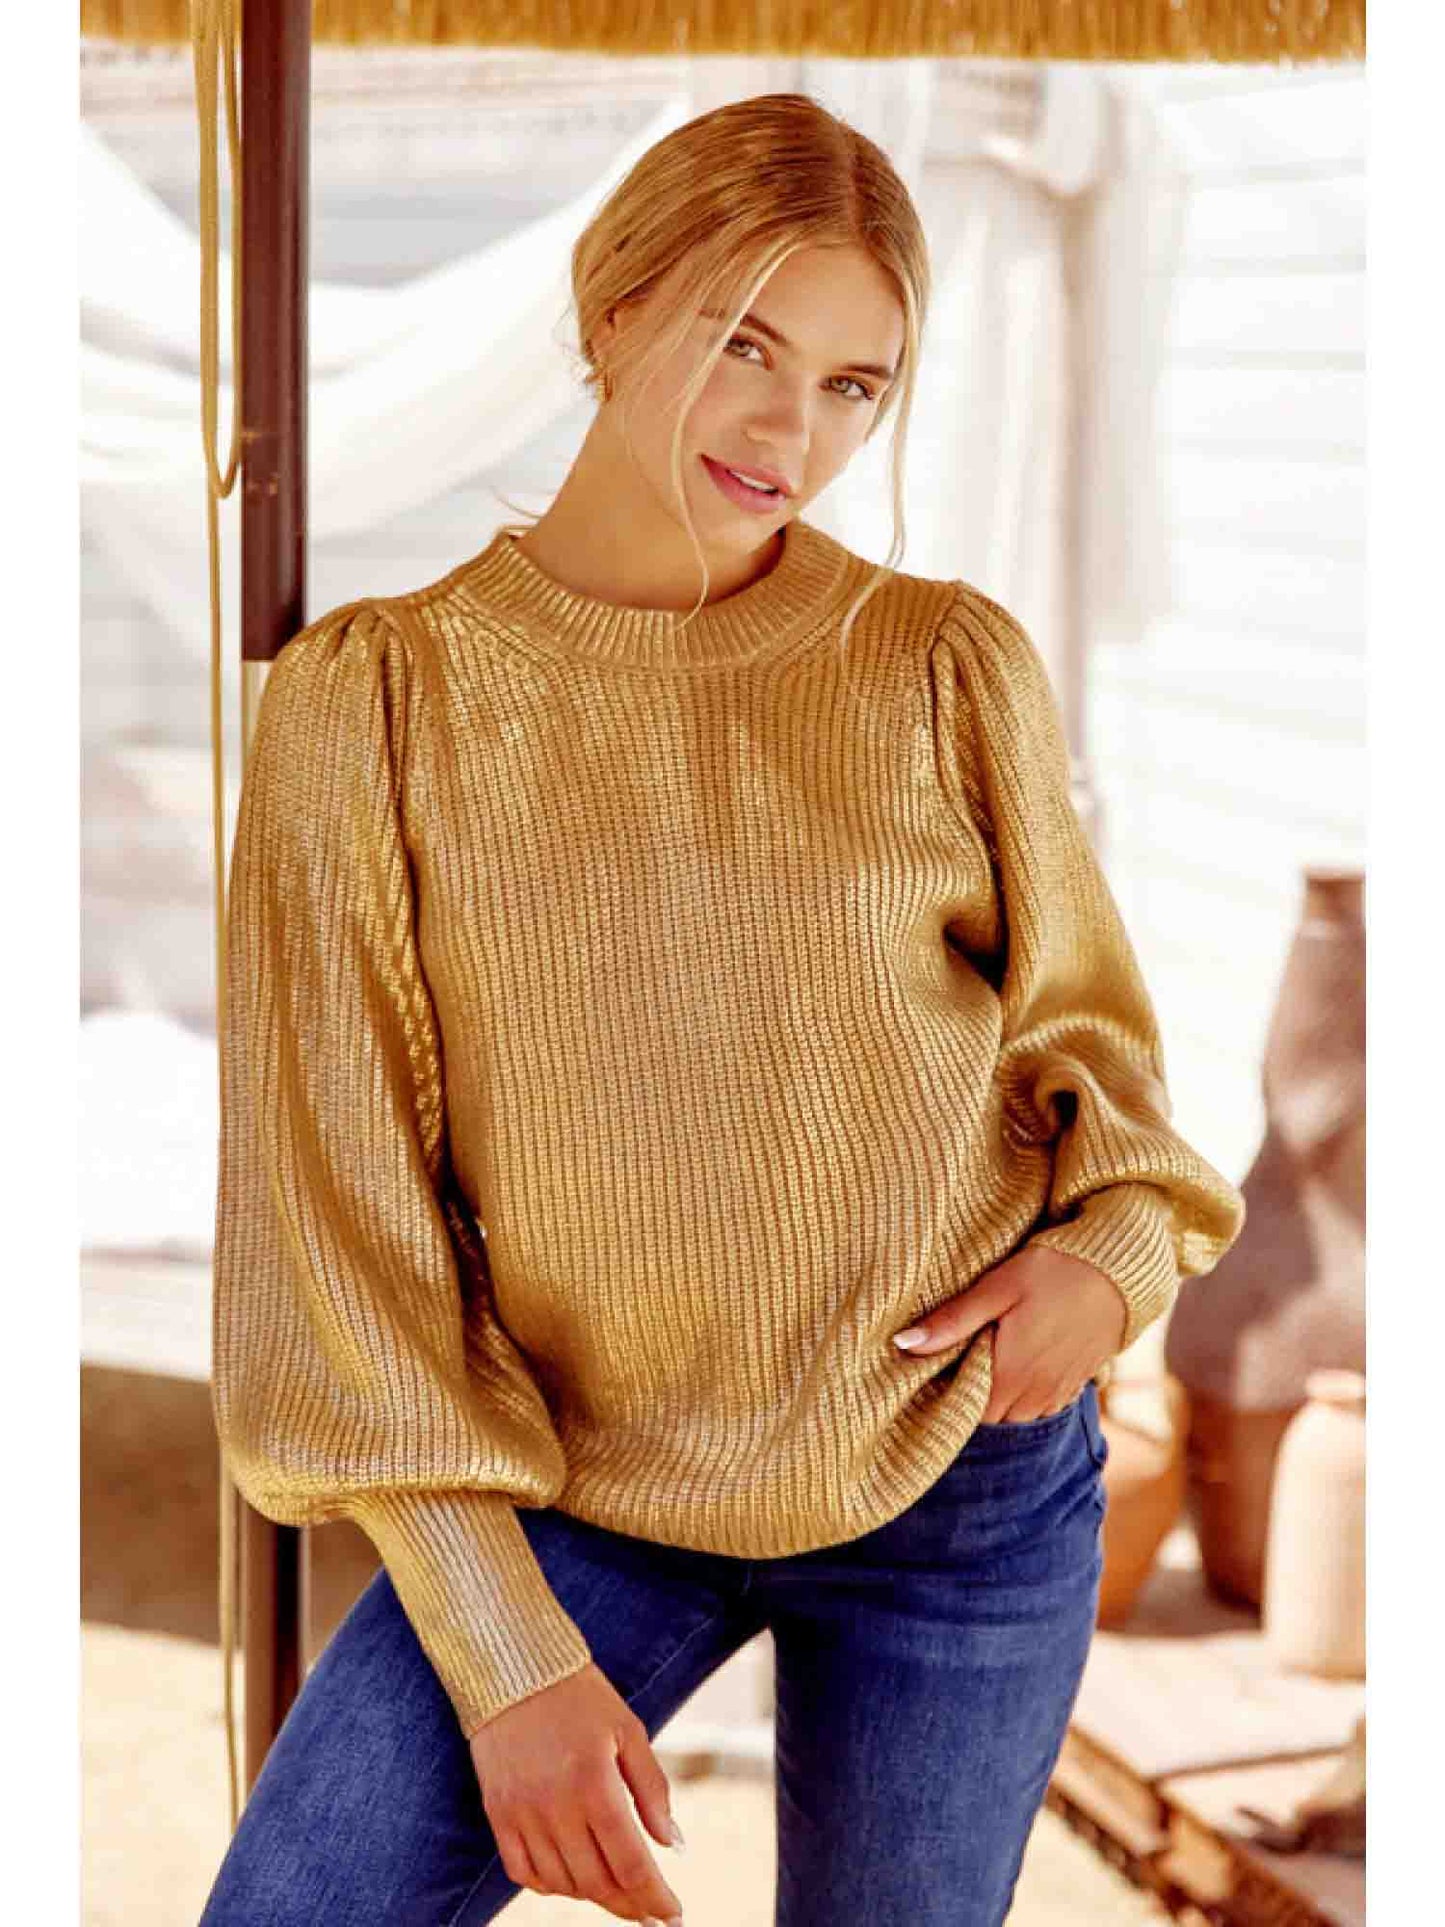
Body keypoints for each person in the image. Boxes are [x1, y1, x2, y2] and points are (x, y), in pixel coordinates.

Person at [198, 92, 1245, 1927]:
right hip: (576, 1485)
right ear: (613, 308)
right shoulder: (375, 702)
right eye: (743, 343)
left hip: (961, 1488)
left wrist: (1107, 1265)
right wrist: (506, 1661)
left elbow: (1097, 1066)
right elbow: (332, 1226)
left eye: (852, 385)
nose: (788, 431)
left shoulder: (939, 662)